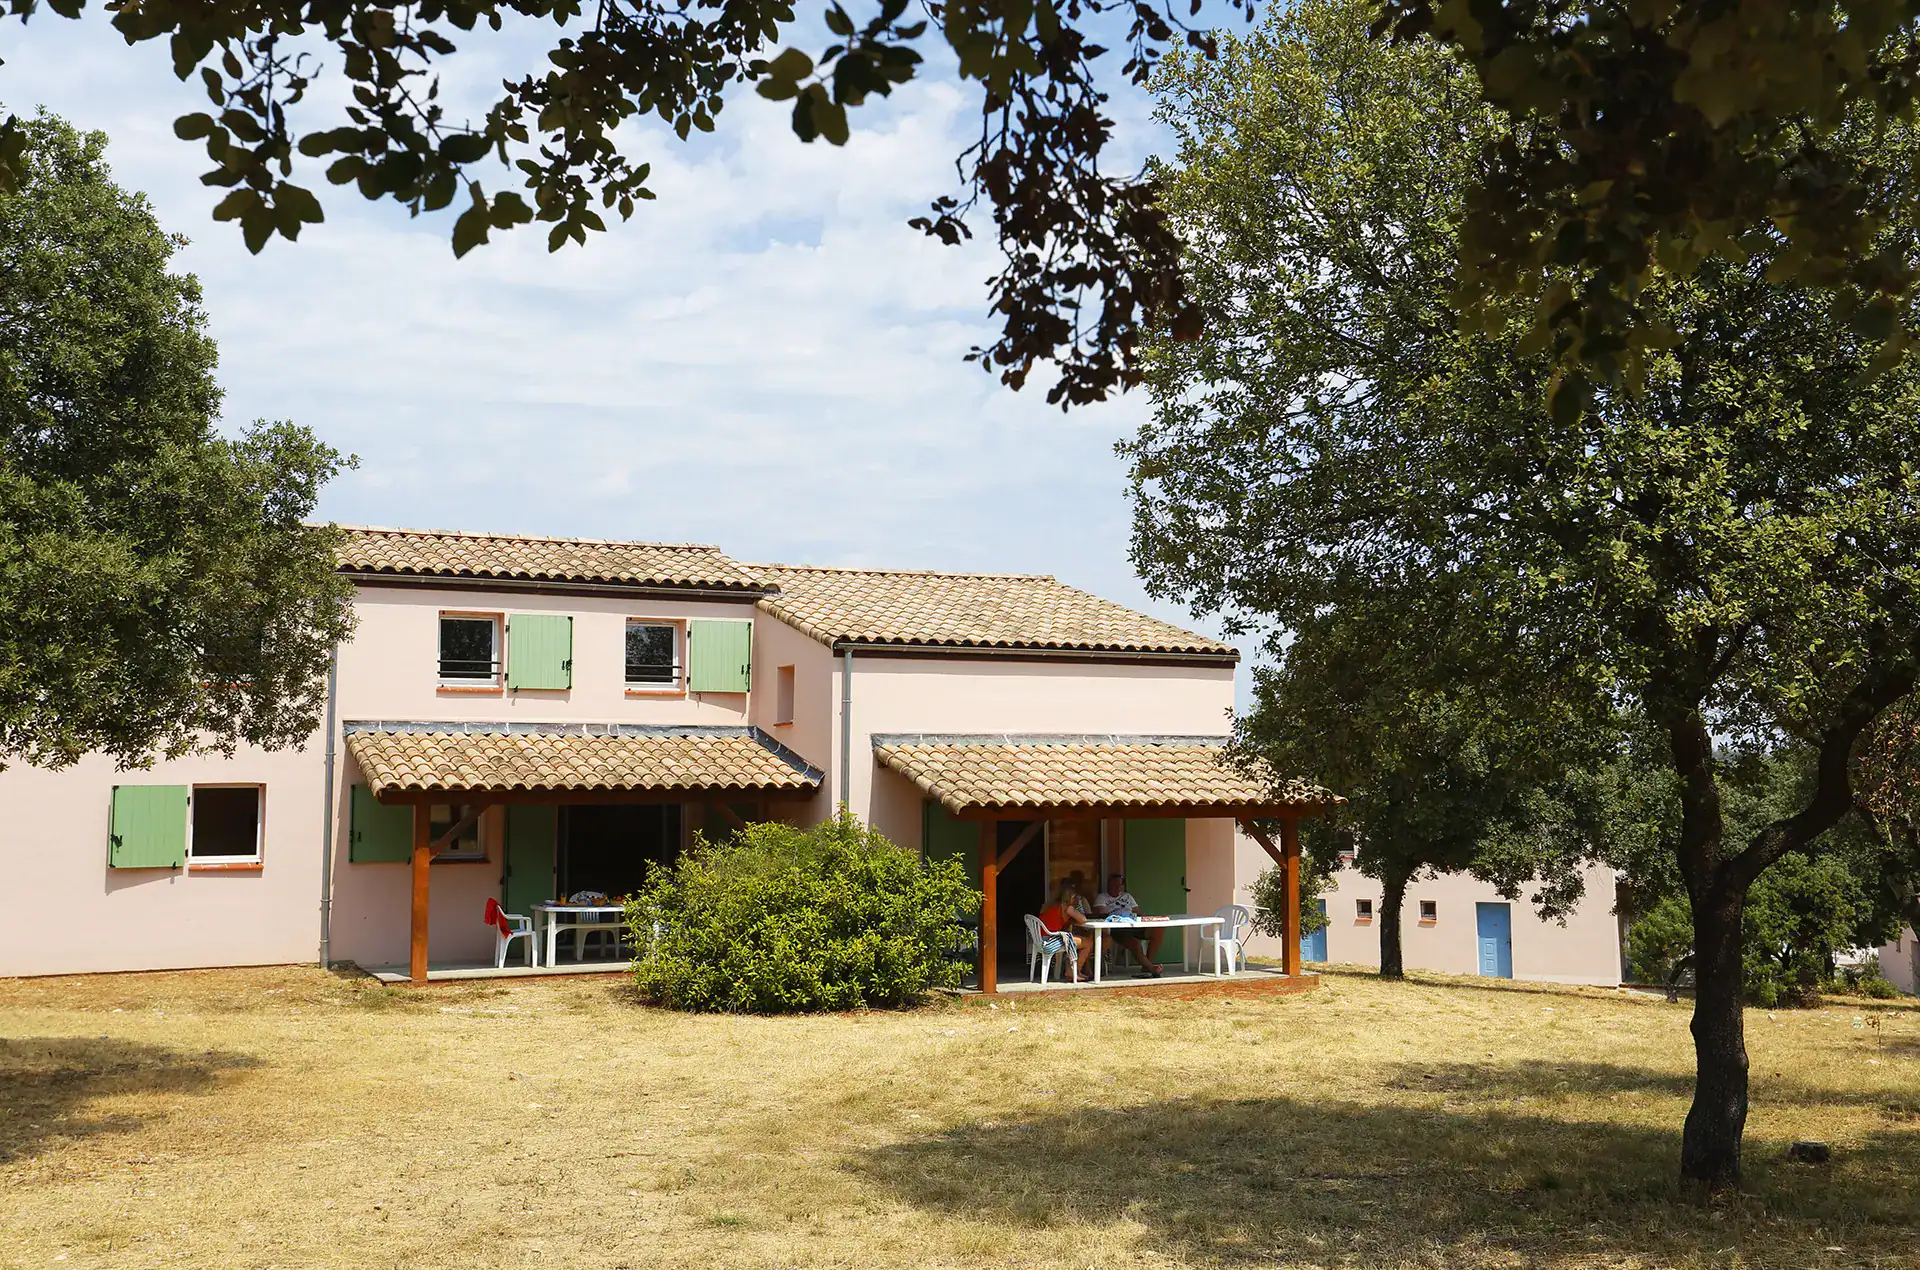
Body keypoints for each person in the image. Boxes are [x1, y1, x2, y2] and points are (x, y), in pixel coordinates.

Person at [1093, 872, 1164, 977]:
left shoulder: (1127, 896)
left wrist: (1148, 920)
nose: (1117, 888)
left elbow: (1138, 912)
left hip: (1133, 924)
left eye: (1119, 885)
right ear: (1108, 885)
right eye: (1114, 885)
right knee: (1135, 944)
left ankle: (1146, 964)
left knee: (1159, 929)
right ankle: (1150, 967)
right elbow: (1103, 915)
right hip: (1118, 929)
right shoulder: (1102, 898)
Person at [1035, 878, 1095, 980]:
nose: (1076, 900)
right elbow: (1083, 919)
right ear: (1071, 897)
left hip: (1041, 940)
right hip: (1051, 941)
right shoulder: (1067, 907)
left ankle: (1070, 970)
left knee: (1074, 940)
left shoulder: (1050, 905)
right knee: (1088, 942)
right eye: (1075, 897)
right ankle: (1074, 971)